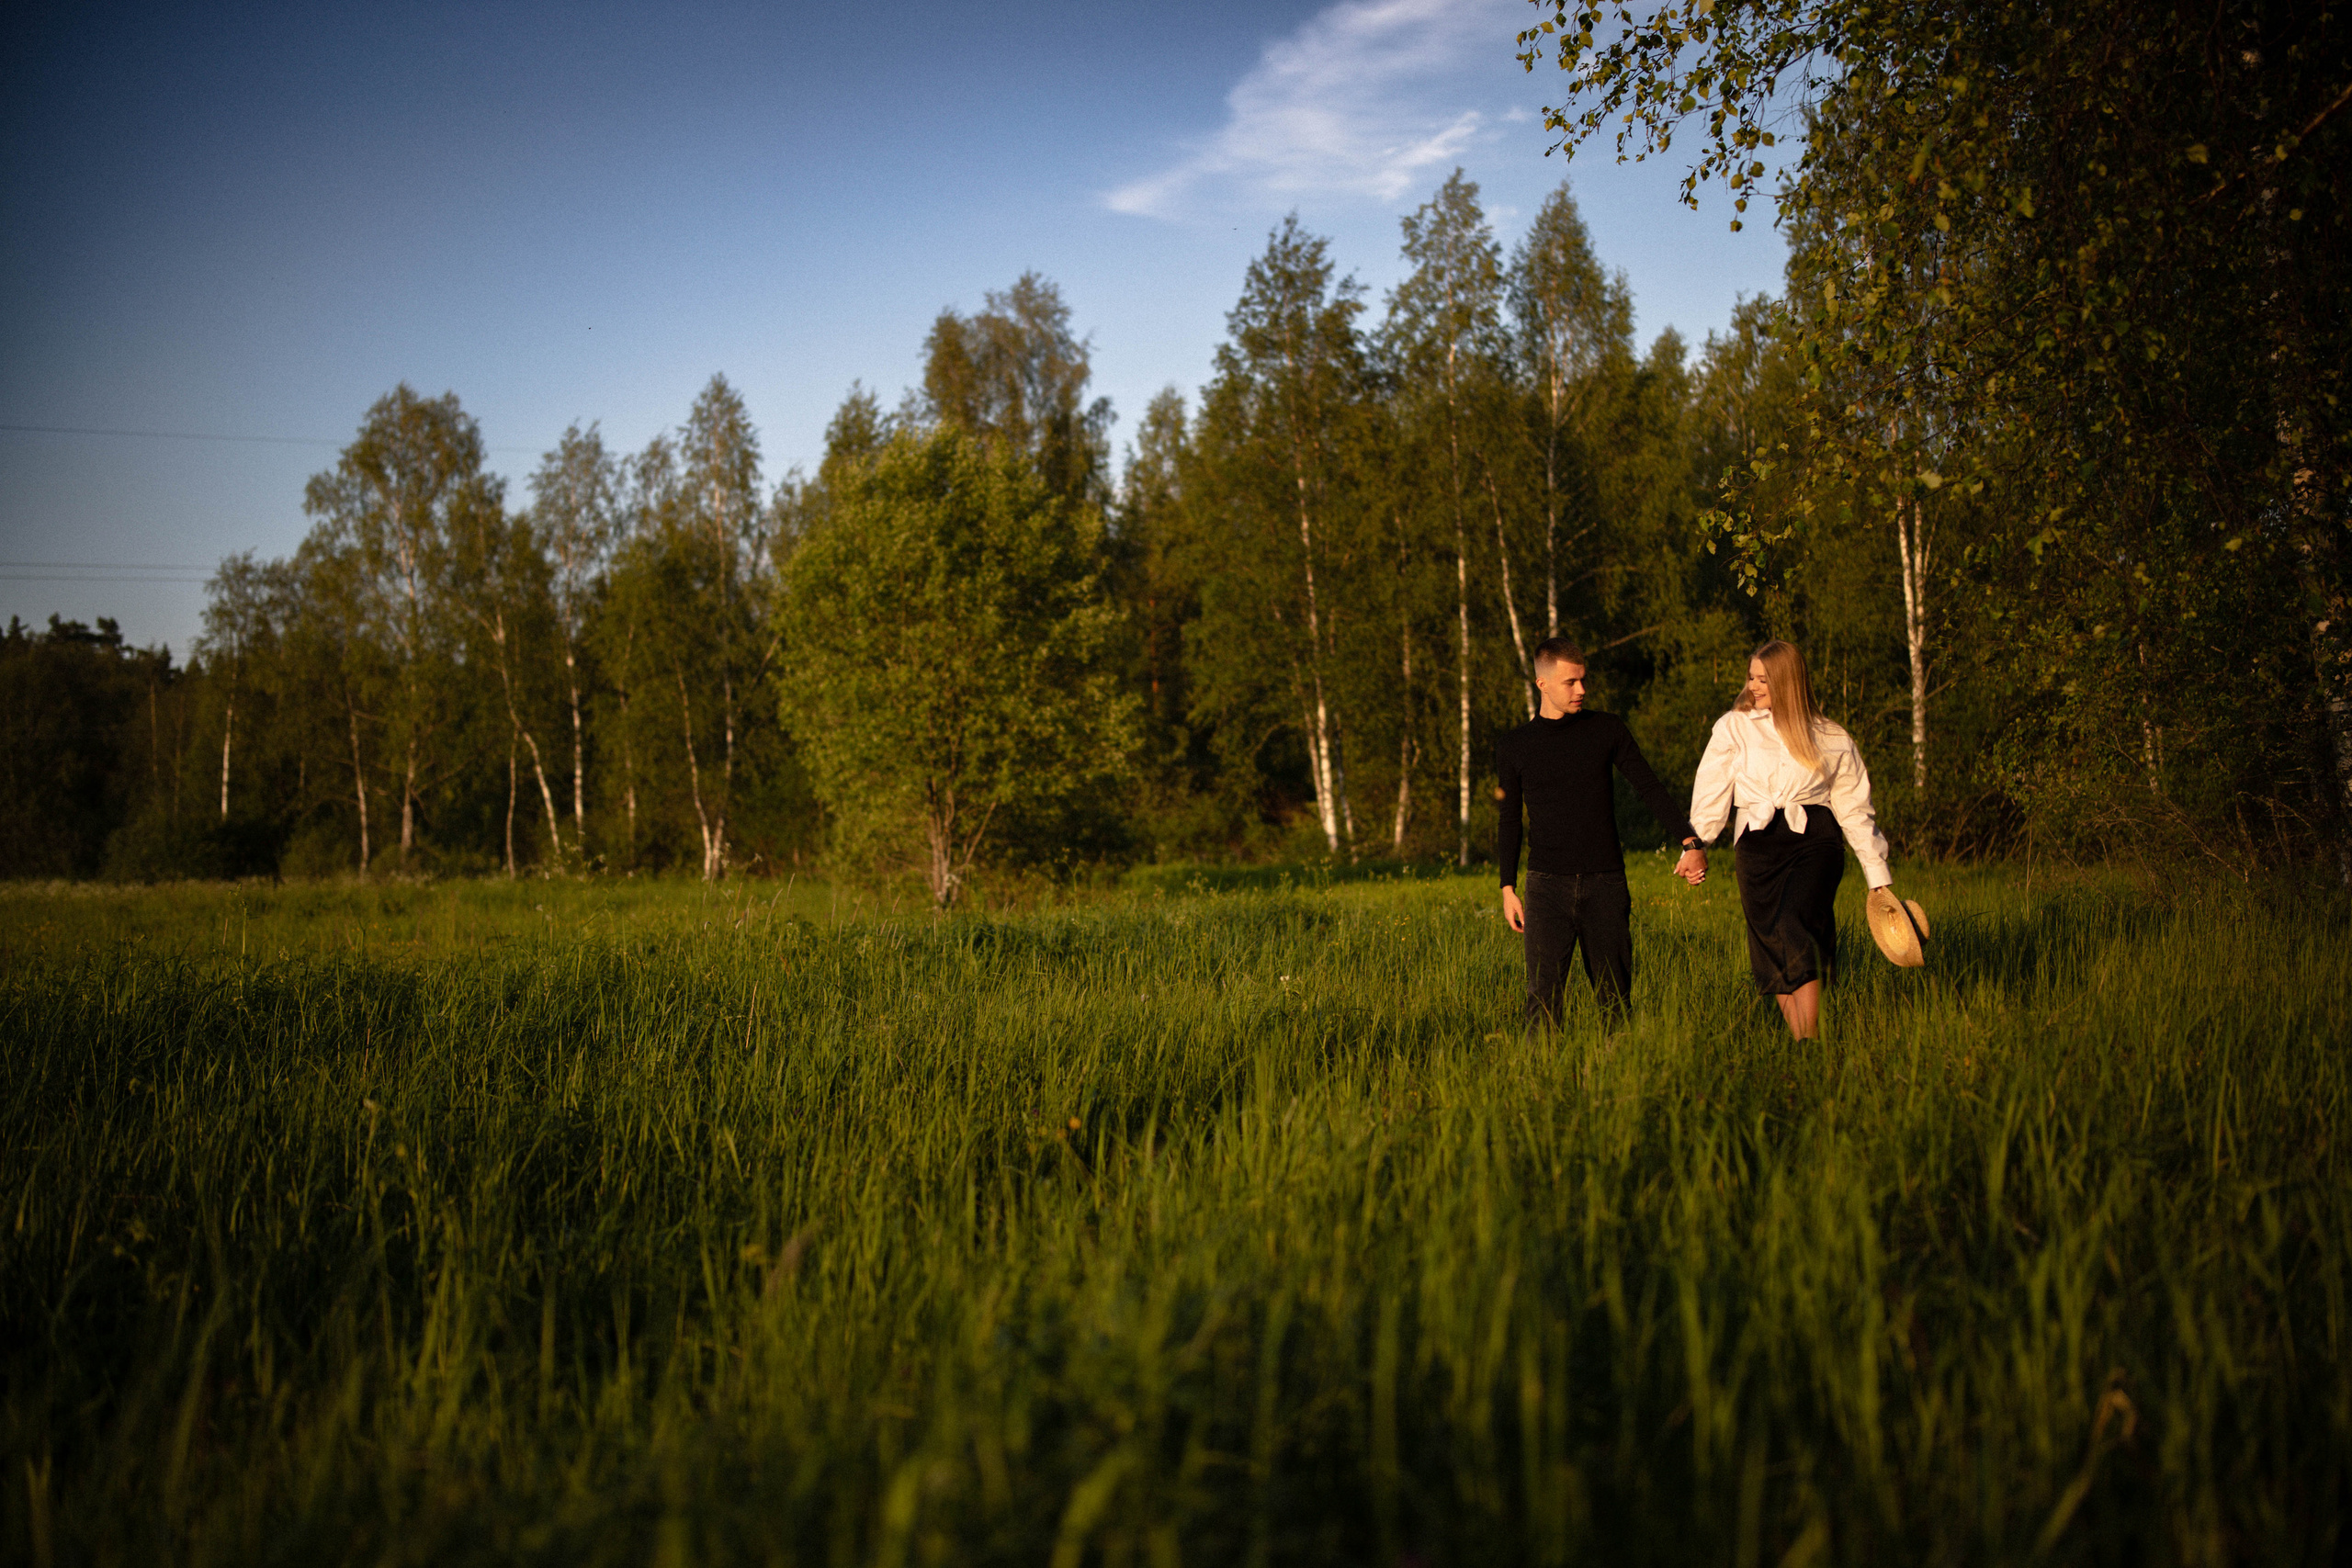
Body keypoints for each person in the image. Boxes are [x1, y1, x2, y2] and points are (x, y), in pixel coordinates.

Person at [1687, 639, 1893, 1041]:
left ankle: (1810, 1036)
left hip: (1814, 839)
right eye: (1751, 677)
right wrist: (1697, 845)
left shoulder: (1831, 736)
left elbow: (1855, 809)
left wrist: (1876, 873)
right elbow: (1712, 789)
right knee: (1768, 940)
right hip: (1756, 843)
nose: (1753, 686)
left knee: (1795, 923)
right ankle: (1804, 1045)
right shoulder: (1734, 727)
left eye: (1763, 679)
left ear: (1787, 681)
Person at [1498, 637, 1708, 1030]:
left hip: (1605, 883)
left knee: (1615, 1000)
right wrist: (1507, 887)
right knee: (1542, 1001)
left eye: (1583, 680)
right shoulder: (1515, 745)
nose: (1581, 689)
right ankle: (1541, 1070)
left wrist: (1689, 841)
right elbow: (1509, 819)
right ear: (1542, 684)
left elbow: (1649, 786)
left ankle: (1619, 1066)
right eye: (1570, 682)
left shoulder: (1606, 729)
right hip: (1545, 888)